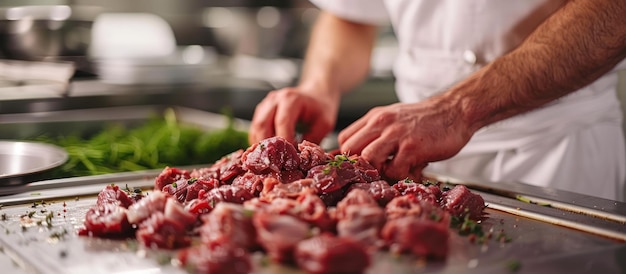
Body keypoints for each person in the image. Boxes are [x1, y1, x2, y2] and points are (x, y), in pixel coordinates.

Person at [248, 0, 626, 202]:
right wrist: (320, 84)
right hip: (411, 158)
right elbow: (351, 16)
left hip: (555, 149)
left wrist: (456, 109)